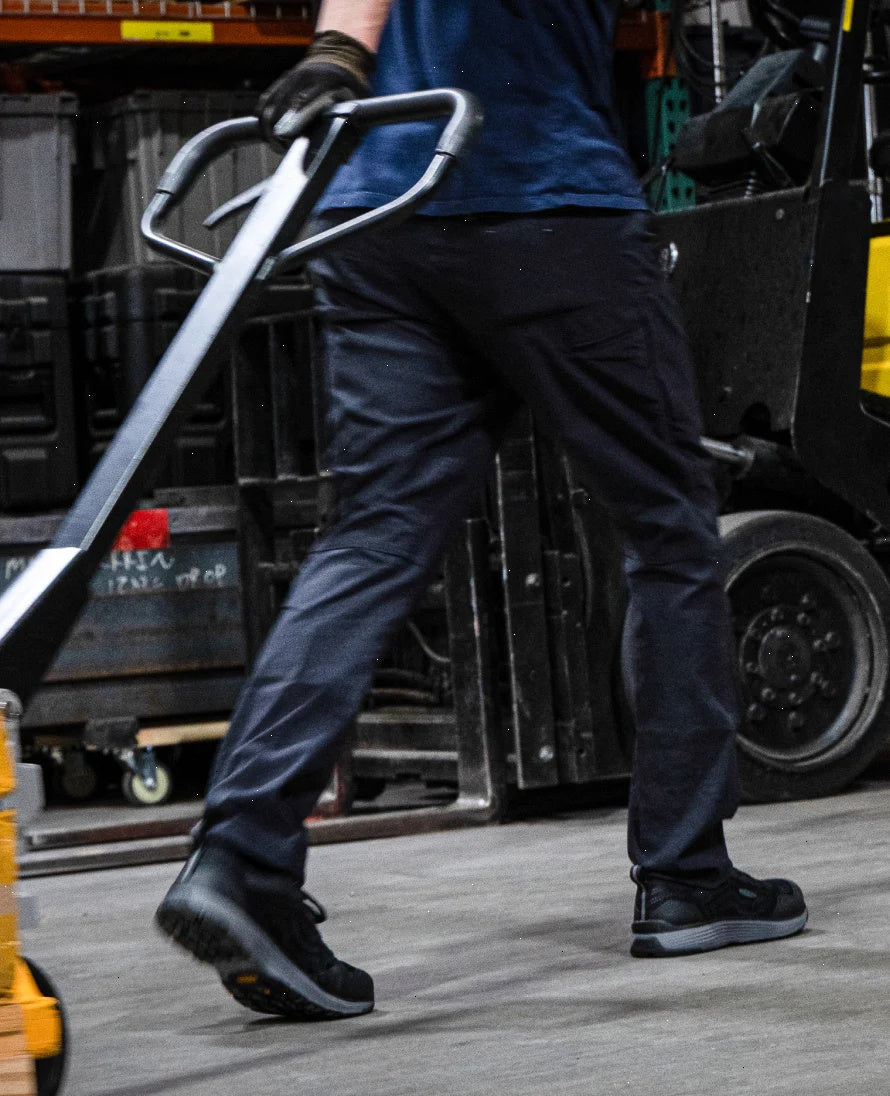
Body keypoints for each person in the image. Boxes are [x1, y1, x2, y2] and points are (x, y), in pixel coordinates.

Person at [156, 0, 808, 1020]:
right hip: (539, 196)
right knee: (671, 528)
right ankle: (686, 873)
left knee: (373, 536)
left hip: (378, 205)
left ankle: (242, 859)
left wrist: (340, 50)